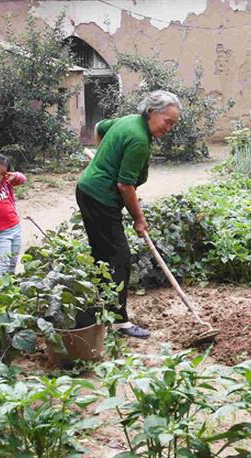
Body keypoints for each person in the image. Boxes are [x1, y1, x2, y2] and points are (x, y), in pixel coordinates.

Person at [75, 90, 181, 338]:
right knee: (119, 257)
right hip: (100, 199)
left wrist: (102, 159)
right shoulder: (139, 140)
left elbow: (101, 126)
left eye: (173, 124)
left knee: (104, 255)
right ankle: (119, 322)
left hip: (89, 192)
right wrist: (139, 219)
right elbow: (125, 185)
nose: (169, 128)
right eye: (168, 122)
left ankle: (104, 311)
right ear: (153, 112)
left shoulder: (129, 121)